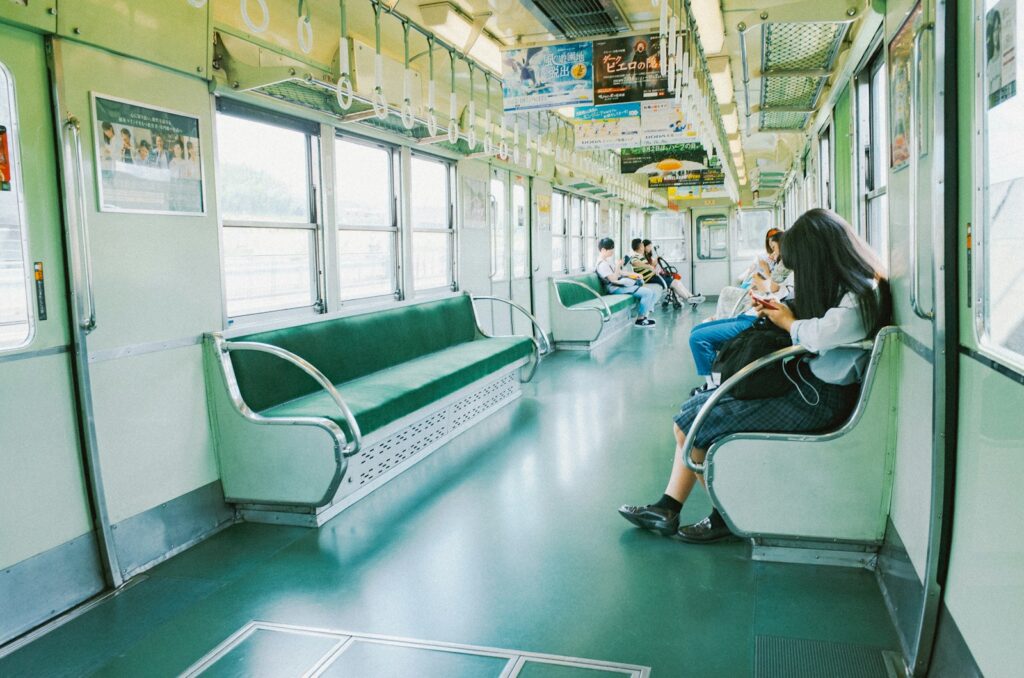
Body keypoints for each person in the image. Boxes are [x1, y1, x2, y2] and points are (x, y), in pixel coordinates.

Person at [618, 209, 891, 542]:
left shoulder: (861, 295)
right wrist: (783, 312)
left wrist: (787, 321)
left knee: (695, 423)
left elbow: (821, 335)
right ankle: (668, 507)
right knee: (691, 414)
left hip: (817, 398)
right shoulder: (852, 287)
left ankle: (725, 516)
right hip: (805, 382)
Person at [596, 237, 658, 328]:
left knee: (652, 292)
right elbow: (613, 279)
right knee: (647, 293)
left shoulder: (607, 261)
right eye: (610, 249)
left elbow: (620, 273)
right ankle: (640, 319)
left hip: (618, 285)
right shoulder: (602, 264)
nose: (612, 252)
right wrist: (618, 266)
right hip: (614, 288)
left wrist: (634, 274)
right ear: (603, 250)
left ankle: (644, 316)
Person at [632, 239, 706, 308]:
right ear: (641, 247)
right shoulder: (635, 256)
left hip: (653, 276)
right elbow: (635, 263)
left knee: (676, 281)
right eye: (643, 246)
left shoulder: (641, 256)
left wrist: (652, 267)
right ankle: (689, 299)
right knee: (674, 283)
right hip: (650, 278)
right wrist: (649, 267)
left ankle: (691, 296)